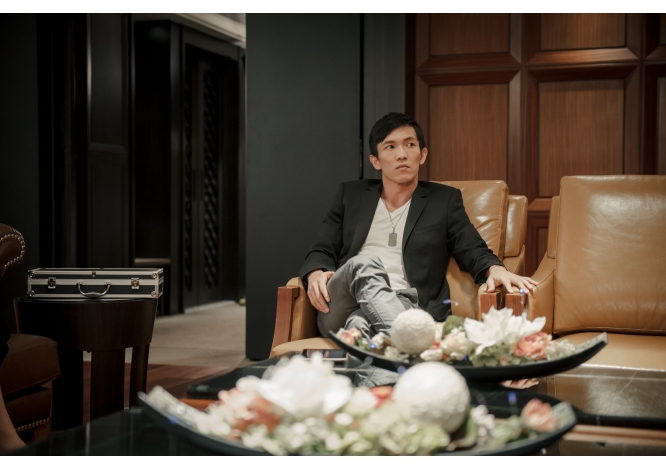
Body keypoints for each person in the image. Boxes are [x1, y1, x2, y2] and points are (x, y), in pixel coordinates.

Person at [300, 112, 538, 339]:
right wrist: (315, 273)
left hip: (407, 303)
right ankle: (417, 344)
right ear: (375, 161)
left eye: (410, 145)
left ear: (422, 155)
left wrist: (495, 269)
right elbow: (321, 249)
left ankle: (393, 354)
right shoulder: (351, 196)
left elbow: (470, 246)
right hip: (343, 304)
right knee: (364, 263)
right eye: (390, 147)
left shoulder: (443, 201)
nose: (402, 154)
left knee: (359, 325)